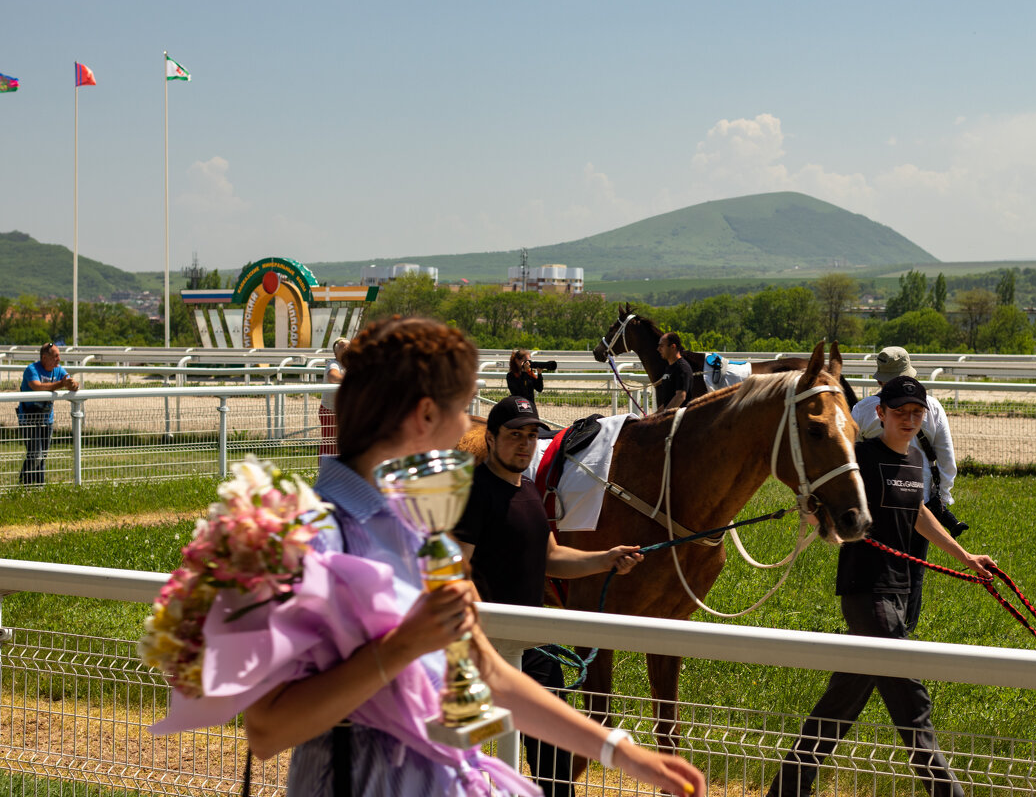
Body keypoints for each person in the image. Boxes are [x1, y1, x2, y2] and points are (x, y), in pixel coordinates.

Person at [243, 316, 704, 797]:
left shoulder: (418, 526)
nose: (467, 427)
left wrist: (621, 752)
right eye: (458, 409)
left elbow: (489, 670)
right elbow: (268, 728)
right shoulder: (313, 532)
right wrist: (399, 651)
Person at [767, 375, 994, 797]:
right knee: (913, 702)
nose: (909, 420)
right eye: (900, 412)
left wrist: (965, 557)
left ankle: (786, 790)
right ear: (881, 414)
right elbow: (821, 495)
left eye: (916, 413)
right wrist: (815, 516)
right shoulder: (863, 458)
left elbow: (918, 513)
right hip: (866, 592)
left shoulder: (913, 463)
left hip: (901, 592)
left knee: (841, 703)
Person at [452, 395, 645, 797]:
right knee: (456, 767)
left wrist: (606, 559)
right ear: (489, 438)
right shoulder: (474, 494)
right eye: (513, 435)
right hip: (484, 649)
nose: (524, 444)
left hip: (534, 647)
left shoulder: (528, 492)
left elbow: (552, 558)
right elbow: (457, 569)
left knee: (555, 772)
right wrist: (483, 632)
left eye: (530, 436)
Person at [851, 346, 967, 633]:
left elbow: (850, 455)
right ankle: (904, 626)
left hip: (873, 501)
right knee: (914, 568)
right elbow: (947, 458)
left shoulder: (863, 410)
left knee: (876, 564)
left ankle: (878, 625)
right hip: (921, 500)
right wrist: (942, 498)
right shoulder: (932, 407)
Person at [17, 342, 79, 486]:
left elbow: (68, 380)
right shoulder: (31, 369)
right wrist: (61, 384)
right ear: (44, 358)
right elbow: (36, 386)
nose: (59, 358)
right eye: (56, 356)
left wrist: (73, 384)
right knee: (36, 455)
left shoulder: (58, 369)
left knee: (42, 456)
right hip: (28, 418)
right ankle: (23, 485)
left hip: (46, 418)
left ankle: (39, 487)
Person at [319, 337, 348, 457]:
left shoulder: (351, 365)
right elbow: (333, 377)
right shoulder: (333, 364)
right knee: (330, 445)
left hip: (343, 412)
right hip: (330, 411)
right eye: (345, 349)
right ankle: (325, 472)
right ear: (337, 352)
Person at [655, 332, 693, 410]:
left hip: (679, 419)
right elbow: (668, 402)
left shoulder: (682, 367)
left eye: (662, 346)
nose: (658, 349)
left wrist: (663, 416)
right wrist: (654, 416)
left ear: (673, 347)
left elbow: (680, 396)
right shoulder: (669, 368)